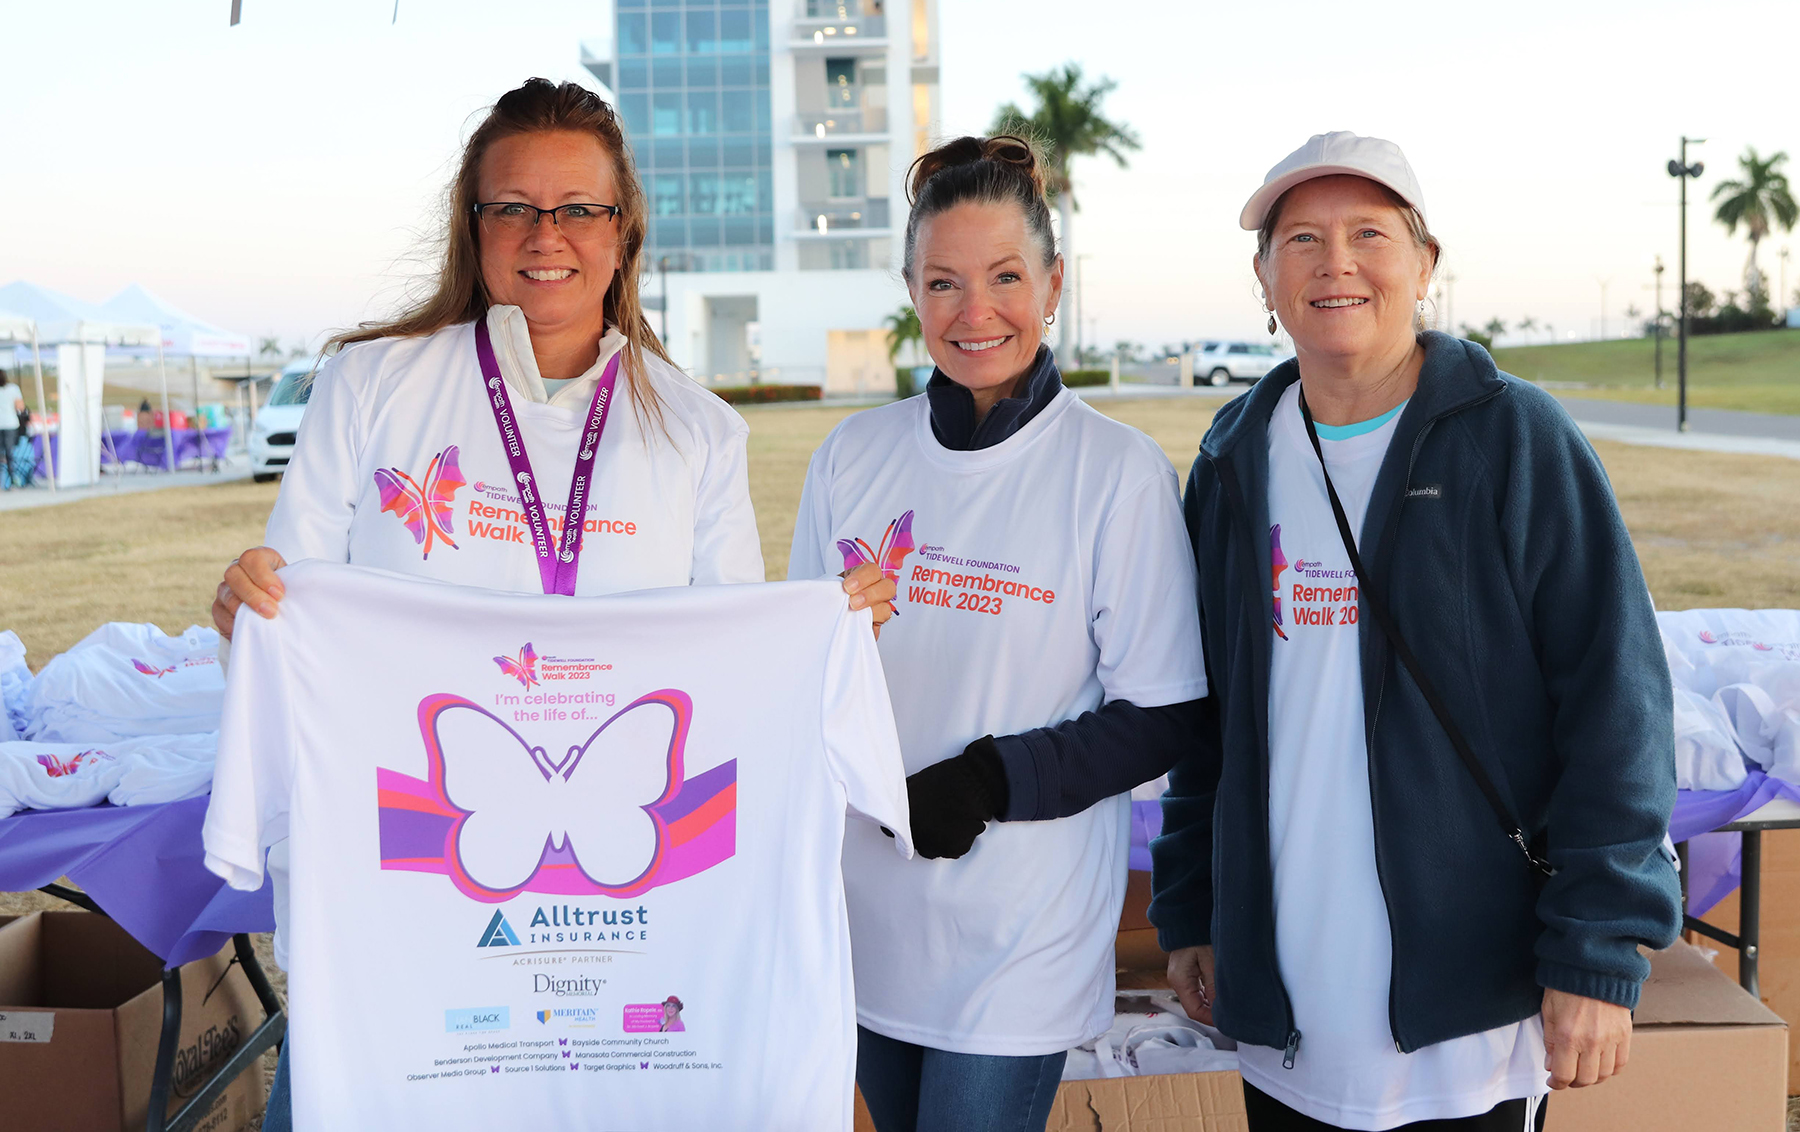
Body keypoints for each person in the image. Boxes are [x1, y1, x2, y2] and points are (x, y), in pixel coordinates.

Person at [210, 78, 896, 1132]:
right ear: (472, 226)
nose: (548, 234)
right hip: (412, 917)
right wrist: (250, 611)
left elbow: (729, 694)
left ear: (623, 233)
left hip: (630, 922)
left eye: (580, 207)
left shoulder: (697, 433)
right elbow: (293, 638)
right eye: (514, 207)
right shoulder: (369, 388)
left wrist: (817, 644)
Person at [1150, 132, 1682, 1132]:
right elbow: (1205, 725)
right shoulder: (1231, 458)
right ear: (1264, 278)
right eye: (1300, 238)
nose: (1334, 262)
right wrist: (1191, 911)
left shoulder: (1515, 439)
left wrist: (1598, 952)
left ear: (1424, 265)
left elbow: (1617, 706)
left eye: (1369, 234)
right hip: (1287, 1017)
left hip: (1465, 1020)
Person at [789, 136, 1208, 1132]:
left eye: (1006, 277)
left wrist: (987, 781)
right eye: (943, 283)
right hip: (870, 919)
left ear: (1053, 282)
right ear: (910, 291)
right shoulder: (853, 456)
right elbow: (801, 674)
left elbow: (1162, 716)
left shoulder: (1117, 472)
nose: (975, 313)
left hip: (1018, 936)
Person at [0, 370, 21, 489]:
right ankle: (12, 479)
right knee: (9, 453)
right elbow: (20, 407)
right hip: (10, 424)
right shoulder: (13, 389)